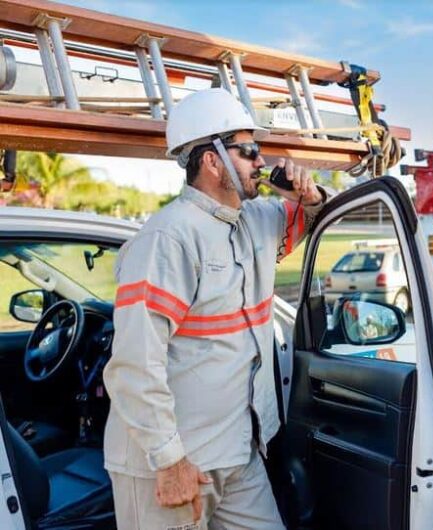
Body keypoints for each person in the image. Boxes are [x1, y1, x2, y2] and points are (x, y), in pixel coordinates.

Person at [102, 88, 328, 529]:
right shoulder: (168, 238)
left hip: (239, 452)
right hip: (171, 462)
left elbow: (318, 214)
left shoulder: (258, 221)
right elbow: (135, 362)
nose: (261, 162)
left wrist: (309, 191)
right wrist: (169, 459)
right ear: (212, 160)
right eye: (249, 151)